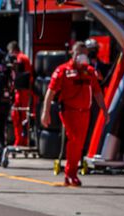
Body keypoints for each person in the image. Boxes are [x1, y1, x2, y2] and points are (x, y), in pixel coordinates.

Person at [41, 42, 108, 186]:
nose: (82, 56)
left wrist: (105, 109)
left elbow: (97, 92)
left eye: (85, 53)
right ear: (72, 52)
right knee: (75, 140)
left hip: (85, 112)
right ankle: (70, 173)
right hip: (69, 111)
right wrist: (45, 112)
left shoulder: (89, 71)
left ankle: (71, 174)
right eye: (79, 53)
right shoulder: (62, 70)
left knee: (79, 144)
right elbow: (50, 92)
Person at [7, 41, 33, 147]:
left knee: (18, 116)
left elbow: (18, 76)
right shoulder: (24, 57)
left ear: (12, 50)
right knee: (22, 117)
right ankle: (23, 140)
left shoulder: (20, 58)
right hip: (24, 91)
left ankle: (20, 141)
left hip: (22, 92)